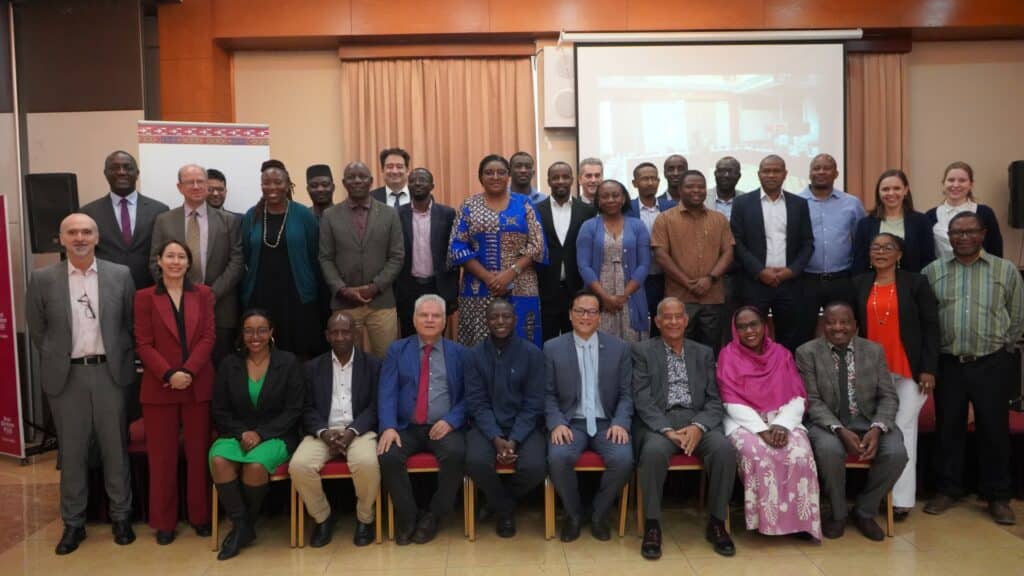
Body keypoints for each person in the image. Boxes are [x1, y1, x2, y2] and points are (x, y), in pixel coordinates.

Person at [27, 213, 137, 555]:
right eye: (72, 232)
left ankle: (121, 516)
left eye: (86, 231)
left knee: (115, 449)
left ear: (97, 237)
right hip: (67, 376)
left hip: (110, 374)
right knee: (72, 453)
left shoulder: (120, 275)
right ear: (61, 239)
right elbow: (38, 329)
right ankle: (73, 523)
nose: (80, 237)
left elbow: (130, 323)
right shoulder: (43, 278)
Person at [922, 212, 1024, 525]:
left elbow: (1017, 316)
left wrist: (1004, 351)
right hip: (950, 362)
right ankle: (948, 490)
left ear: (983, 234)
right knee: (948, 429)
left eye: (970, 232)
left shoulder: (1005, 270)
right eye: (956, 233)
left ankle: (997, 496)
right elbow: (927, 320)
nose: (963, 238)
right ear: (948, 237)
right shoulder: (932, 271)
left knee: (994, 431)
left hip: (992, 362)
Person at [633, 298, 737, 559]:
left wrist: (699, 427)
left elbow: (715, 399)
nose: (673, 322)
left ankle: (716, 522)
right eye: (666, 317)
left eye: (678, 316)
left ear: (686, 320)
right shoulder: (642, 351)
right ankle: (653, 525)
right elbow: (641, 399)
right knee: (654, 453)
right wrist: (667, 430)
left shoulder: (703, 352)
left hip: (697, 419)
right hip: (659, 422)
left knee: (724, 449)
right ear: (657, 322)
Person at [796, 303, 907, 541]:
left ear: (855, 326)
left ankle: (865, 511)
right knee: (828, 450)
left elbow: (888, 396)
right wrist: (840, 430)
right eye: (831, 322)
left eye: (844, 322)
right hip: (828, 423)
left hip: (869, 420)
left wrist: (877, 429)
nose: (838, 328)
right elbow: (812, 401)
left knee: (897, 453)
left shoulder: (873, 351)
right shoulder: (807, 352)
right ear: (823, 326)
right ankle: (838, 514)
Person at [852, 232, 939, 521]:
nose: (880, 252)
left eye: (887, 247)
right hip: (873, 372)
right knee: (881, 430)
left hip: (910, 372)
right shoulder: (860, 283)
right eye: (875, 247)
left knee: (901, 431)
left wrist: (928, 368)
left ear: (899, 254)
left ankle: (900, 501)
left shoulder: (916, 283)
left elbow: (931, 327)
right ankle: (879, 497)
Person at [135, 240, 217, 544]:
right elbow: (143, 343)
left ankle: (200, 517)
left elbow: (209, 337)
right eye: (169, 256)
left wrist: (189, 372)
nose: (175, 261)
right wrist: (169, 373)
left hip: (197, 385)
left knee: (199, 455)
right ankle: (164, 521)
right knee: (162, 458)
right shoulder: (144, 298)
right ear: (159, 260)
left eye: (181, 256)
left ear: (189, 262)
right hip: (160, 387)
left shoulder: (204, 294)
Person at [717, 306, 821, 541]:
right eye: (742, 327)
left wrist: (782, 425)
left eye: (754, 324)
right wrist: (761, 430)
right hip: (744, 422)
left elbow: (797, 394)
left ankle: (801, 523)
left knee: (800, 452)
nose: (749, 331)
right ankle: (766, 521)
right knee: (758, 454)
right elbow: (728, 398)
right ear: (735, 331)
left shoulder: (781, 354)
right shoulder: (728, 355)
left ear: (765, 326)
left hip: (782, 419)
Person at [209, 309, 305, 560]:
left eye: (262, 330)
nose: (255, 336)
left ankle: (243, 526)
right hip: (236, 433)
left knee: (254, 466)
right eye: (249, 330)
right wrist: (243, 433)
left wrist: (260, 434)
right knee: (219, 460)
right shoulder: (229, 364)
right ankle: (243, 526)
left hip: (277, 434)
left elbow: (294, 410)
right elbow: (219, 409)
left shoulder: (288, 362)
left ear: (271, 333)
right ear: (242, 333)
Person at [377, 295, 468, 545]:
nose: (429, 320)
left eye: (436, 315)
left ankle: (433, 516)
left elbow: (469, 397)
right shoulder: (397, 350)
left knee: (456, 453)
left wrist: (451, 420)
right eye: (424, 315)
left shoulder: (459, 353)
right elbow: (386, 392)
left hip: (444, 427)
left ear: (444, 321)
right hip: (406, 427)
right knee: (388, 456)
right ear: (414, 319)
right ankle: (408, 517)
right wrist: (388, 427)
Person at [545, 290, 633, 542]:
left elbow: (628, 395)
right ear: (570, 315)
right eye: (580, 311)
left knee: (623, 459)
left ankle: (598, 514)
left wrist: (620, 423)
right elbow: (547, 395)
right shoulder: (552, 348)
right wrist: (557, 423)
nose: (586, 316)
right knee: (559, 457)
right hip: (571, 422)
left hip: (607, 422)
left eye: (592, 311)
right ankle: (573, 515)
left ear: (600, 317)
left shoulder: (619, 348)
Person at [289, 310, 381, 548]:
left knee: (367, 463)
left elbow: (375, 406)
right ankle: (323, 518)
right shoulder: (311, 368)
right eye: (335, 332)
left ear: (356, 334)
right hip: (323, 432)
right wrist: (323, 432)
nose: (340, 336)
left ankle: (365, 519)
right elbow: (305, 408)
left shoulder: (372, 365)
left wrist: (353, 431)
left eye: (346, 331)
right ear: (327, 336)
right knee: (299, 466)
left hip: (359, 430)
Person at [464, 299, 547, 537]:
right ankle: (505, 508)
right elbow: (477, 403)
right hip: (486, 427)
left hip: (524, 426)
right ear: (487, 321)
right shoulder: (474, 356)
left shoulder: (532, 354)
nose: (500, 321)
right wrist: (496, 437)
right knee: (475, 462)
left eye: (506, 316)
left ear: (515, 319)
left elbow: (534, 404)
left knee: (535, 466)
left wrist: (515, 439)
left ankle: (500, 502)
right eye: (494, 317)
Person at [448, 154, 546, 347]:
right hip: (478, 287)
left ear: (508, 176)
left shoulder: (524, 204)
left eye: (501, 172)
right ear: (480, 177)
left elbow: (537, 244)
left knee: (523, 344)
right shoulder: (469, 206)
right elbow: (457, 246)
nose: (495, 177)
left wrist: (510, 273)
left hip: (521, 285)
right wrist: (488, 277)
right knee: (478, 347)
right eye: (489, 173)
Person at [150, 163, 244, 366]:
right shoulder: (164, 220)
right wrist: (176, 294)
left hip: (219, 307)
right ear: (179, 187)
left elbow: (236, 262)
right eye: (189, 182)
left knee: (220, 368)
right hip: (175, 306)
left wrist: (211, 294)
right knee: (181, 366)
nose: (196, 186)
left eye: (200, 182)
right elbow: (154, 261)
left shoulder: (229, 221)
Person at [319, 161, 404, 358]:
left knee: (386, 360)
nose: (357, 181)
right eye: (351, 177)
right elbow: (325, 258)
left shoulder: (389, 214)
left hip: (382, 302)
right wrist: (342, 289)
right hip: (344, 302)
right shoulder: (330, 215)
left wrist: (375, 287)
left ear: (371, 181)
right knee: (347, 360)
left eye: (362, 177)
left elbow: (397, 256)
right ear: (343, 182)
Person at [241, 160, 324, 359]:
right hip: (261, 294)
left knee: (298, 349)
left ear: (288, 184)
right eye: (266, 182)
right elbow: (245, 253)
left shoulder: (304, 214)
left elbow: (315, 255)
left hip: (297, 295)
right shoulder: (251, 216)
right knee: (264, 348)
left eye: (277, 182)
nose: (272, 187)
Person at [731, 155, 815, 351]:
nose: (771, 175)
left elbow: (808, 243)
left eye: (776, 171)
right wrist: (760, 271)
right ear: (758, 174)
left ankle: (786, 376)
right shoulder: (742, 203)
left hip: (789, 283)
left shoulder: (799, 204)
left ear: (785, 175)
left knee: (791, 335)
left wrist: (791, 271)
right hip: (754, 282)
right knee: (751, 335)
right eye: (766, 171)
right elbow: (737, 243)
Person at [651, 170, 734, 352]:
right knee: (678, 348)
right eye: (690, 187)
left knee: (711, 351)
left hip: (713, 297)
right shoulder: (664, 219)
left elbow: (728, 252)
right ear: (679, 190)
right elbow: (661, 255)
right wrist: (686, 282)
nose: (696, 190)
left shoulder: (719, 219)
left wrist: (710, 279)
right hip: (679, 298)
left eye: (701, 187)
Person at [81, 150, 169, 289]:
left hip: (149, 288)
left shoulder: (159, 210)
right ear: (105, 173)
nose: (121, 172)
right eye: (114, 168)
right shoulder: (89, 212)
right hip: (106, 288)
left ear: (137, 173)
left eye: (127, 167)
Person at [577, 179, 650, 343]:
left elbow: (644, 264)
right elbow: (583, 266)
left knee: (633, 344)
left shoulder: (638, 226)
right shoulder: (588, 226)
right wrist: (604, 297)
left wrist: (624, 295)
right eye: (605, 196)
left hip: (631, 294)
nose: (610, 200)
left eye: (615, 195)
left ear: (623, 198)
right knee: (602, 345)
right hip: (599, 293)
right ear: (598, 201)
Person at [535, 162, 596, 342]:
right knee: (548, 343)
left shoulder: (587, 211)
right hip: (546, 289)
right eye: (555, 177)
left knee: (578, 341)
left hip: (577, 289)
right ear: (548, 181)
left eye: (565, 177)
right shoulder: (536, 210)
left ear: (573, 180)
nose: (560, 181)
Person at [798, 154, 865, 314]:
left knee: (842, 328)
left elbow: (860, 241)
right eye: (816, 168)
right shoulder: (796, 202)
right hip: (805, 280)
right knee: (802, 331)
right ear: (810, 173)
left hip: (841, 279)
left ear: (836, 174)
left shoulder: (852, 203)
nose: (821, 172)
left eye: (827, 168)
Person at [395, 167, 458, 338]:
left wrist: (452, 293)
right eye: (413, 180)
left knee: (437, 338)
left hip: (438, 286)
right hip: (408, 288)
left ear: (432, 185)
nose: (417, 183)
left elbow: (453, 254)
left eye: (422, 180)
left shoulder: (447, 214)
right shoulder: (397, 214)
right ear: (407, 185)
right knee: (409, 338)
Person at [851, 169, 935, 273]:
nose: (891, 193)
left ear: (905, 190)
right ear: (879, 192)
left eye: (897, 188)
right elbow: (859, 262)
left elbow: (928, 261)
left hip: (913, 285)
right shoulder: (865, 224)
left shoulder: (921, 221)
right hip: (874, 286)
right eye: (885, 189)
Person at [629, 162, 675, 337]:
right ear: (635, 183)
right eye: (644, 179)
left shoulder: (671, 207)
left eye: (653, 178)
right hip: (635, 277)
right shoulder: (626, 209)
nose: (650, 182)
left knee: (663, 321)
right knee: (637, 322)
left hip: (666, 276)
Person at [927, 160, 1003, 259]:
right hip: (942, 272)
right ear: (943, 183)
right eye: (951, 180)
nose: (955, 185)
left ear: (971, 184)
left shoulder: (985, 213)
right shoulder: (930, 215)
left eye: (962, 180)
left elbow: (996, 251)